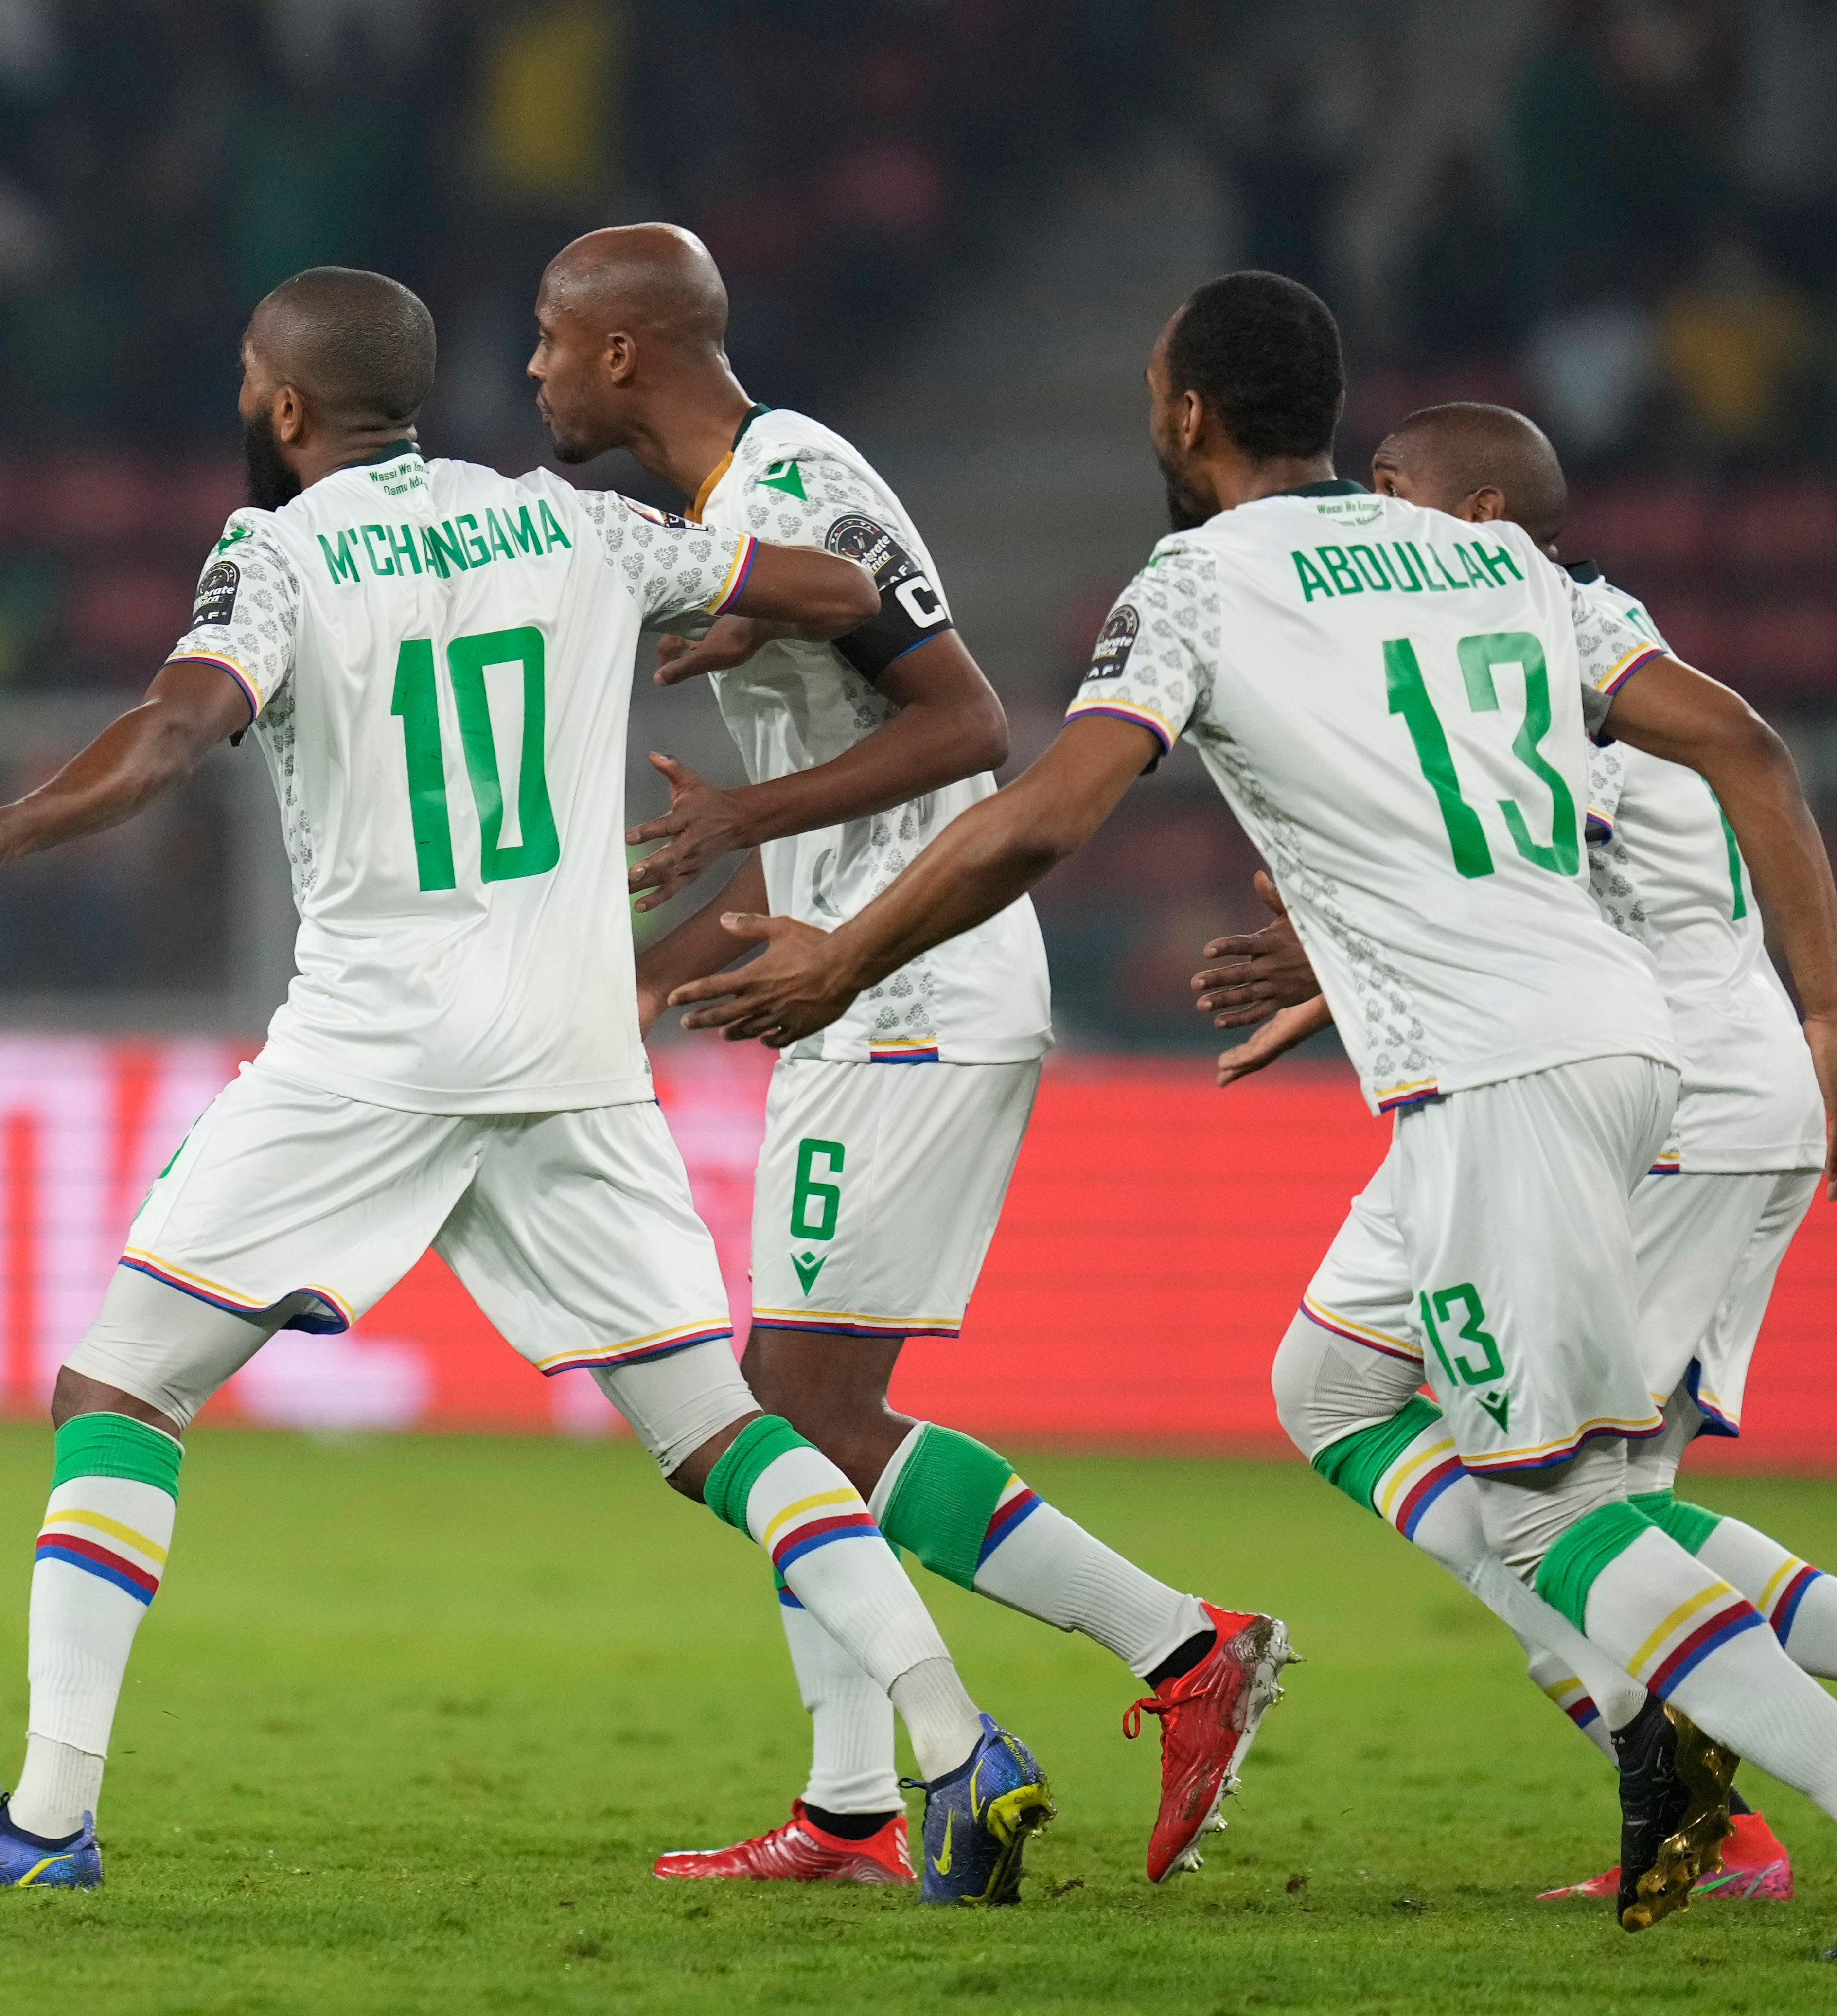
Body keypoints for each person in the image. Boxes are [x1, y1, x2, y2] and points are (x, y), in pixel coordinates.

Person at [0, 267, 1053, 1901]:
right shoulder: (573, 524)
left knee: (120, 1388)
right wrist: (765, 609)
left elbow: (179, 725)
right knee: (719, 1426)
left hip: (376, 1046)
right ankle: (955, 1734)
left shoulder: (273, 550)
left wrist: (13, 828)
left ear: (280, 408)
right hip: (568, 1048)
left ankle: (49, 1817)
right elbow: (843, 578)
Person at [665, 270, 1837, 1935]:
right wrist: (1821, 1008)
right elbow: (1736, 741)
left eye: (1155, 389)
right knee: (1347, 1388)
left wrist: (848, 954)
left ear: (1186, 413)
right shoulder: (1494, 555)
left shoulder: (1196, 584)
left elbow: (1044, 814)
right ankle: (1685, 1756)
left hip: (1503, 1073)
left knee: (1563, 1516)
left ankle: (1735, 1789)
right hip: (1606, 1035)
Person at [526, 222, 1287, 1890]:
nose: (528, 370)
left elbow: (965, 726)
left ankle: (1181, 1647)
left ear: (625, 355)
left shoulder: (799, 475)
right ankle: (851, 1803)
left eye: (548, 340)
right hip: (850, 980)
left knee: (788, 1412)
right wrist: (654, 969)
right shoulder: (732, 522)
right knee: (791, 1407)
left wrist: (743, 813)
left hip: (916, 986)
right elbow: (842, 799)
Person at [1191, 400, 1827, 1908]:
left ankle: (1710, 1810)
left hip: (1656, 1096)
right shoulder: (1543, 624)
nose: (1367, 514)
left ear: (1475, 517)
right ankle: (1649, 1735)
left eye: (1394, 494)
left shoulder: (1551, 636)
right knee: (1333, 1383)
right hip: (1530, 1067)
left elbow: (1538, 822)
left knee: (1599, 1511)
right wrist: (1337, 972)